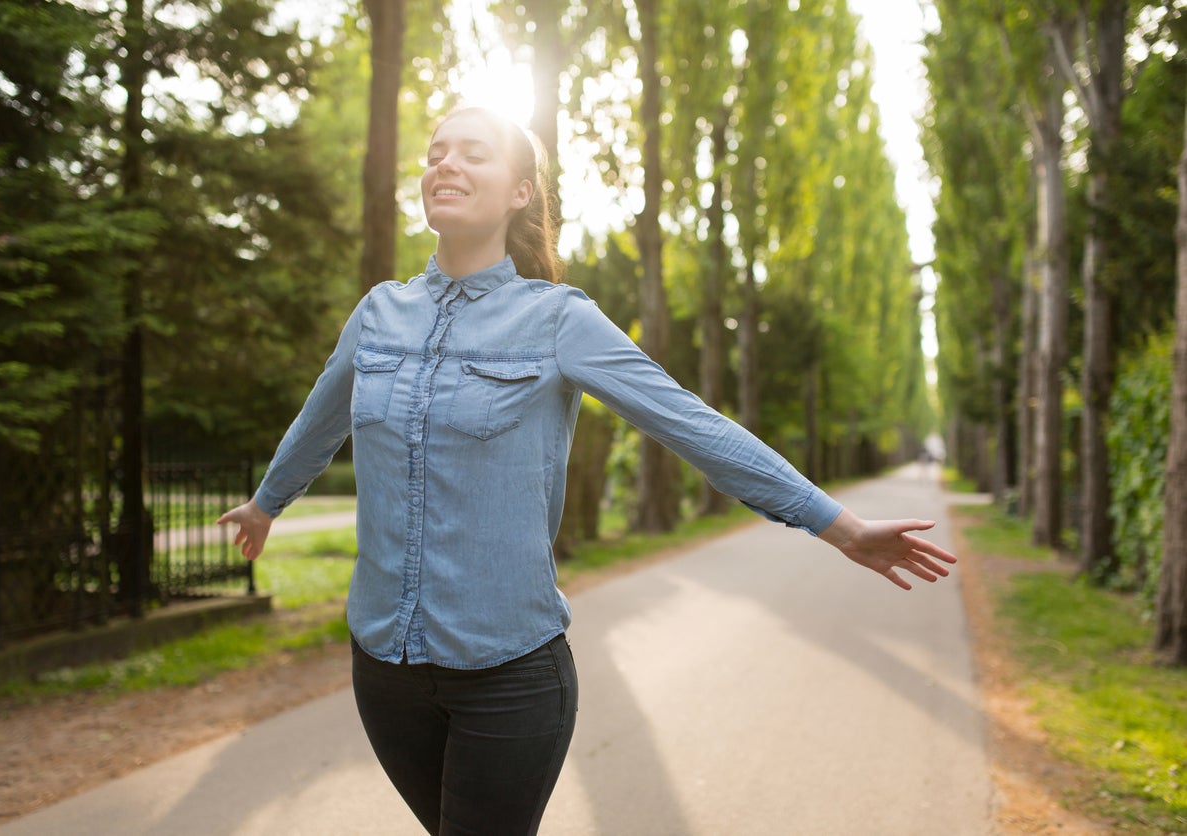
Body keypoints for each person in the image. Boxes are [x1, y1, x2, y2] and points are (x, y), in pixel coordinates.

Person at [217, 105, 958, 836]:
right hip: (383, 668)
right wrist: (266, 504)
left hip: (510, 679)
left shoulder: (558, 320)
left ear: (520, 192)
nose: (446, 162)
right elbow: (321, 419)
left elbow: (694, 425)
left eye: (473, 152)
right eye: (437, 150)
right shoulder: (379, 314)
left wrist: (841, 526)